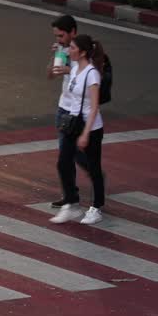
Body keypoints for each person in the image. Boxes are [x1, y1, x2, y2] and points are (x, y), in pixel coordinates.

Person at [51, 34, 107, 225]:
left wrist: (85, 134)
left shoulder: (92, 74)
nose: (70, 51)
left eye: (73, 48)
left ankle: (96, 207)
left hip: (90, 127)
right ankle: (72, 204)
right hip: (72, 123)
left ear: (83, 52)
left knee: (93, 167)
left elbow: (93, 106)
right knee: (63, 162)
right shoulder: (75, 69)